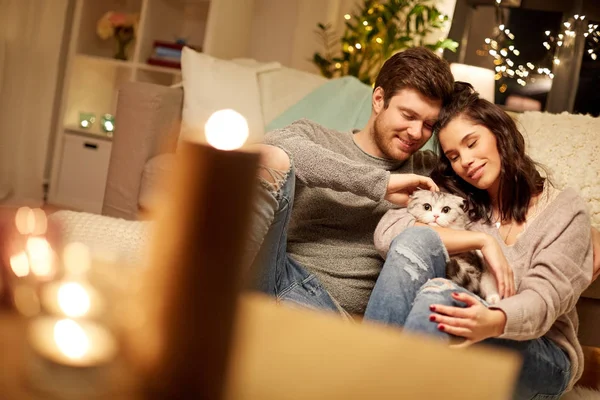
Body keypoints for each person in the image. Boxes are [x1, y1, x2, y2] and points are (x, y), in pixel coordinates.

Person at [248, 46, 600, 319]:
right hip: (278, 275)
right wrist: (381, 184)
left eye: (429, 124)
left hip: (338, 312)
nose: (417, 133)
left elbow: (505, 198)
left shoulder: (434, 169)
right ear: (379, 99)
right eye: (408, 115)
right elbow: (274, 150)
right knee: (270, 160)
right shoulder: (316, 138)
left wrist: (585, 235)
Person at [367, 82, 592, 399]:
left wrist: (495, 320)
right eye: (454, 156)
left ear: (500, 134)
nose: (466, 161)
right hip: (458, 326)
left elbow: (545, 301)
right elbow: (388, 234)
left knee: (440, 296)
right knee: (419, 242)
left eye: (472, 143)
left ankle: (368, 385)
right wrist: (479, 241)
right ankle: (370, 380)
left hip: (543, 356)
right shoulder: (460, 202)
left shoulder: (565, 211)